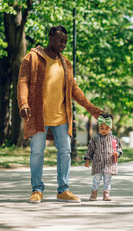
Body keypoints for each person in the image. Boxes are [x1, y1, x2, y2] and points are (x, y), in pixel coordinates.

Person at [17, 25, 102, 203]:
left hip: (62, 117)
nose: (63, 44)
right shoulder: (32, 57)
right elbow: (23, 81)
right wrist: (23, 103)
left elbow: (75, 90)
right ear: (50, 37)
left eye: (65, 41)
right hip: (39, 116)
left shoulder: (66, 63)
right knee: (37, 153)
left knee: (65, 152)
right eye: (60, 40)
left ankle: (63, 190)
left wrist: (94, 110)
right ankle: (37, 190)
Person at [84, 113, 122, 201]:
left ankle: (106, 194)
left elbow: (119, 148)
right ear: (98, 127)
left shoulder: (114, 139)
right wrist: (87, 159)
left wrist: (118, 153)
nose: (104, 130)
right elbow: (90, 150)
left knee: (107, 180)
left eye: (106, 128)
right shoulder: (95, 138)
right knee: (96, 179)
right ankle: (94, 194)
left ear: (110, 128)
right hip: (98, 163)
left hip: (109, 163)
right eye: (101, 128)